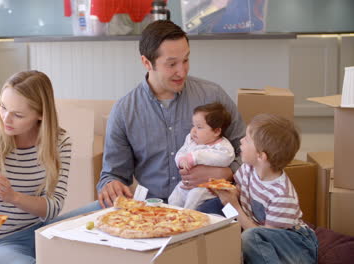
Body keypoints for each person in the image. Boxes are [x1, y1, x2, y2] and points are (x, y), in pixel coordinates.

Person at [96, 19, 246, 214]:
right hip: (151, 211)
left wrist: (225, 173)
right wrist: (111, 185)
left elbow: (249, 153)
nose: (182, 71)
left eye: (186, 60)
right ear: (146, 62)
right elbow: (112, 174)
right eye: (172, 64)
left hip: (210, 205)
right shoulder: (124, 111)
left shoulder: (213, 96)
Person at [0, 70, 72, 264]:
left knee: (107, 209)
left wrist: (14, 197)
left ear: (41, 115)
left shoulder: (59, 141)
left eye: (18, 115)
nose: (6, 119)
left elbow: (53, 207)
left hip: (42, 232)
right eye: (3, 107)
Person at [214, 114, 318, 263]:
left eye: (247, 139)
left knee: (250, 238)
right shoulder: (248, 168)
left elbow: (263, 237)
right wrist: (228, 194)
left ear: (261, 156)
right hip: (257, 230)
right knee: (213, 206)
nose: (241, 140)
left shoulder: (282, 196)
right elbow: (238, 191)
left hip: (295, 245)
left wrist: (233, 206)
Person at [168, 102, 235, 209]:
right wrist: (181, 160)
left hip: (207, 187)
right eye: (193, 125)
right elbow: (181, 152)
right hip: (187, 182)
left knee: (194, 197)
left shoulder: (223, 147)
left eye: (199, 127)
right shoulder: (191, 140)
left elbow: (225, 159)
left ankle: (189, 218)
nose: (193, 130)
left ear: (216, 131)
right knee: (174, 197)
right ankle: (173, 217)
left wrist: (195, 157)